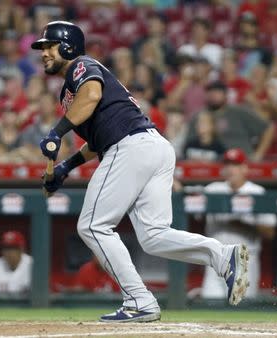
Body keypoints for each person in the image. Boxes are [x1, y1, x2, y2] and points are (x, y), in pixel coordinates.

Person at [31, 21, 250, 323]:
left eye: (48, 46)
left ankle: (139, 300)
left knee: (93, 226)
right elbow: (96, 141)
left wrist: (57, 132)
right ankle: (222, 255)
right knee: (154, 236)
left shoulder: (81, 66)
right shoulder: (69, 92)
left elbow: (92, 95)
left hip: (131, 147)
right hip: (151, 147)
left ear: (67, 45)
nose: (43, 53)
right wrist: (67, 167)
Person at [202, 148, 277, 299]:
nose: (230, 169)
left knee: (242, 310)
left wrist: (240, 223)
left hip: (244, 260)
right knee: (209, 306)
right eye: (227, 165)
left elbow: (270, 232)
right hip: (215, 260)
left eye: (235, 165)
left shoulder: (257, 192)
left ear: (245, 168)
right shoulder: (212, 190)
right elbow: (188, 203)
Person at [187, 81, 274, 161]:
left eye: (218, 92)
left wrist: (259, 154)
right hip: (212, 164)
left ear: (226, 94)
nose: (213, 95)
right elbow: (189, 145)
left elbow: (269, 128)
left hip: (243, 161)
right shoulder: (199, 116)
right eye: (210, 92)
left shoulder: (239, 111)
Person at [0, 230, 32, 295]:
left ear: (21, 249)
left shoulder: (32, 265)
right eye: (6, 248)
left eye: (12, 248)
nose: (8, 252)